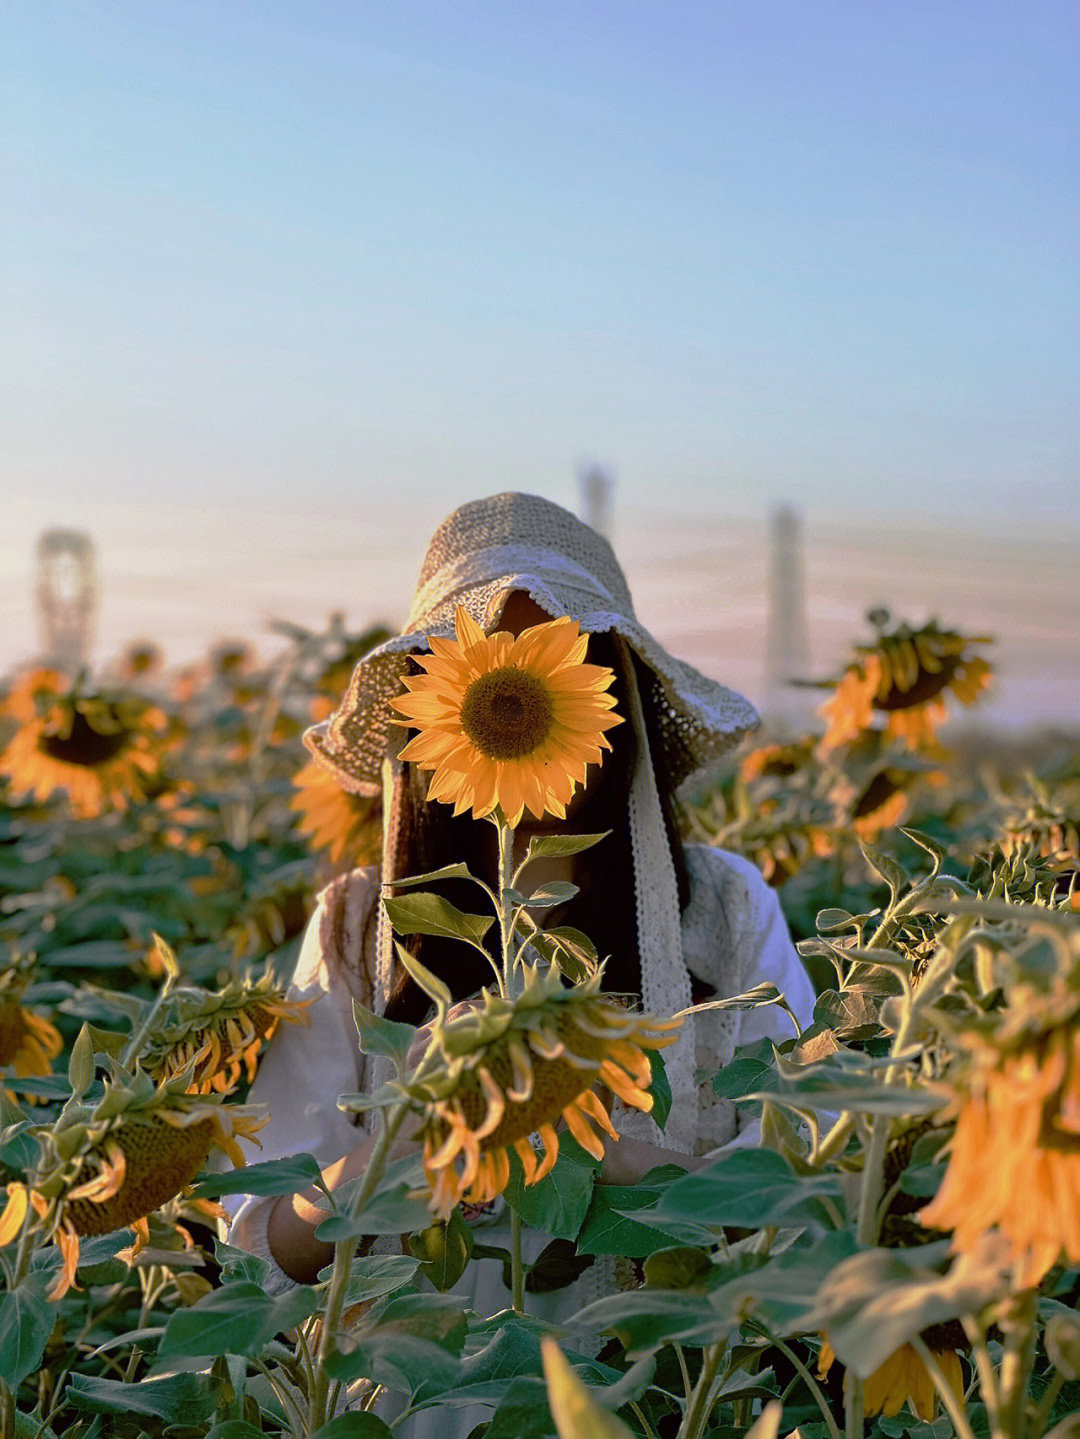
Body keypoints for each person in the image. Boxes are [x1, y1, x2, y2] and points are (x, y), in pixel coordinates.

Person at [227, 491, 815, 1425]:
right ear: (429, 708)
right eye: (474, 669)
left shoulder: (723, 910)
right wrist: (387, 1163)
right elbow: (254, 1242)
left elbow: (807, 1185)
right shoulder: (356, 932)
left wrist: (641, 1169)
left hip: (661, 1401)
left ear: (614, 699)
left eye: (561, 659)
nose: (509, 691)